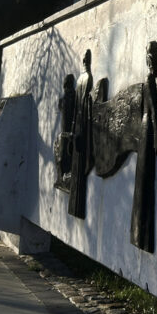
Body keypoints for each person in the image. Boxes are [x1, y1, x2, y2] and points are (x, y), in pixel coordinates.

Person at [131, 41, 157, 252]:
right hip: (147, 133)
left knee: (144, 183)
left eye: (155, 56)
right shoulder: (150, 81)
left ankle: (141, 233)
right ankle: (141, 233)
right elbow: (154, 114)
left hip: (146, 132)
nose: (153, 60)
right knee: (144, 183)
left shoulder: (150, 81)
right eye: (152, 56)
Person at [67, 49, 94, 219]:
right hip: (78, 126)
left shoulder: (87, 78)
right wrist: (72, 129)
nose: (84, 61)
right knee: (76, 164)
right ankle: (74, 204)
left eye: (86, 59)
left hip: (81, 125)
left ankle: (77, 205)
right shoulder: (81, 79)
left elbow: (83, 103)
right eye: (83, 59)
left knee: (80, 165)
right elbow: (77, 105)